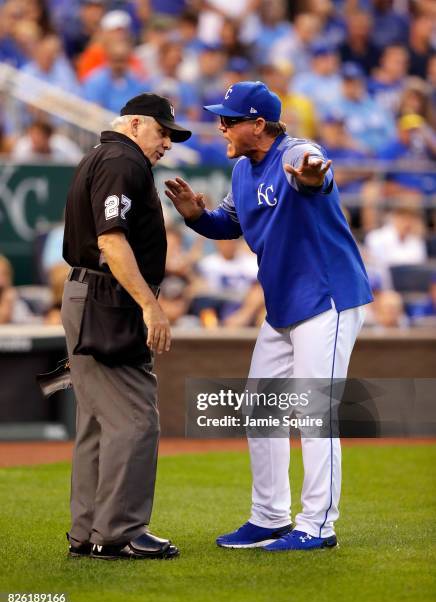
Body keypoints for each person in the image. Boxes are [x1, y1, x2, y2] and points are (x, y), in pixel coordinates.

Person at [165, 81, 372, 551]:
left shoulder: (294, 152)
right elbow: (228, 223)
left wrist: (314, 176)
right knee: (262, 409)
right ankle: (271, 516)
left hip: (328, 296)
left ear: (259, 124)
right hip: (283, 305)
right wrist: (196, 217)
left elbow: (314, 172)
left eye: (231, 118)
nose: (222, 125)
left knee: (316, 414)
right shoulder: (242, 168)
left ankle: (318, 525)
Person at [62, 93, 191, 560]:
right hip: (106, 299)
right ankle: (119, 532)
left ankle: (90, 531)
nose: (168, 144)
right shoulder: (122, 159)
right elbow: (111, 241)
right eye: (162, 132)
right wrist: (150, 306)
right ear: (136, 124)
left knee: (99, 422)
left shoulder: (101, 155)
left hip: (89, 294)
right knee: (135, 418)